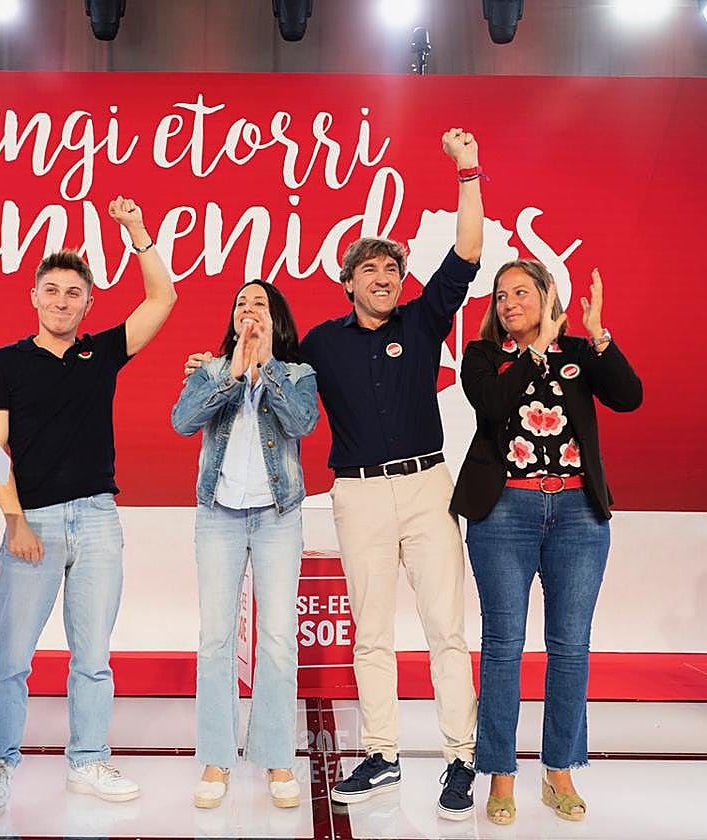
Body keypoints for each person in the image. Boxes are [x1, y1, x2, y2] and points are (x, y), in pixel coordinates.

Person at [184, 127, 486, 819]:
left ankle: (460, 758)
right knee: (372, 631)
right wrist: (216, 362)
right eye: (370, 272)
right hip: (355, 494)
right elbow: (270, 361)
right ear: (347, 281)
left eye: (393, 271)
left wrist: (467, 171)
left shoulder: (425, 318)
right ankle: (382, 754)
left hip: (426, 485)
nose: (384, 280)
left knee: (445, 626)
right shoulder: (319, 343)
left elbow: (467, 250)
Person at [0, 196, 177, 817]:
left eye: (74, 294)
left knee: (93, 656)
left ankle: (88, 761)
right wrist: (14, 521)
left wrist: (138, 231)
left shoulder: (100, 354)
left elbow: (162, 300)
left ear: (89, 304)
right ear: (34, 297)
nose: (62, 302)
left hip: (96, 517)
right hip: (30, 520)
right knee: (10, 656)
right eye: (52, 291)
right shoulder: (4, 363)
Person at [451, 262, 641, 825]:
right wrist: (537, 352)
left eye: (521, 292)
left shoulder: (580, 353)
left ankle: (559, 771)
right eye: (501, 295)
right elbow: (494, 404)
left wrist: (599, 336)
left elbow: (629, 396)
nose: (509, 302)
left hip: (579, 514)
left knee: (570, 646)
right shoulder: (486, 356)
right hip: (504, 511)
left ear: (546, 296)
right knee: (504, 645)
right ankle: (501, 776)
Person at [171, 280, 318, 810]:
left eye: (258, 304)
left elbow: (302, 422)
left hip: (278, 516)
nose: (247, 310)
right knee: (216, 639)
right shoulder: (212, 370)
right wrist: (232, 373)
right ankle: (217, 757)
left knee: (277, 638)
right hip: (219, 516)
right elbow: (182, 422)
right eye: (240, 304)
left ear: (276, 319)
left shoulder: (298, 374)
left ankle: (276, 756)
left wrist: (265, 369)